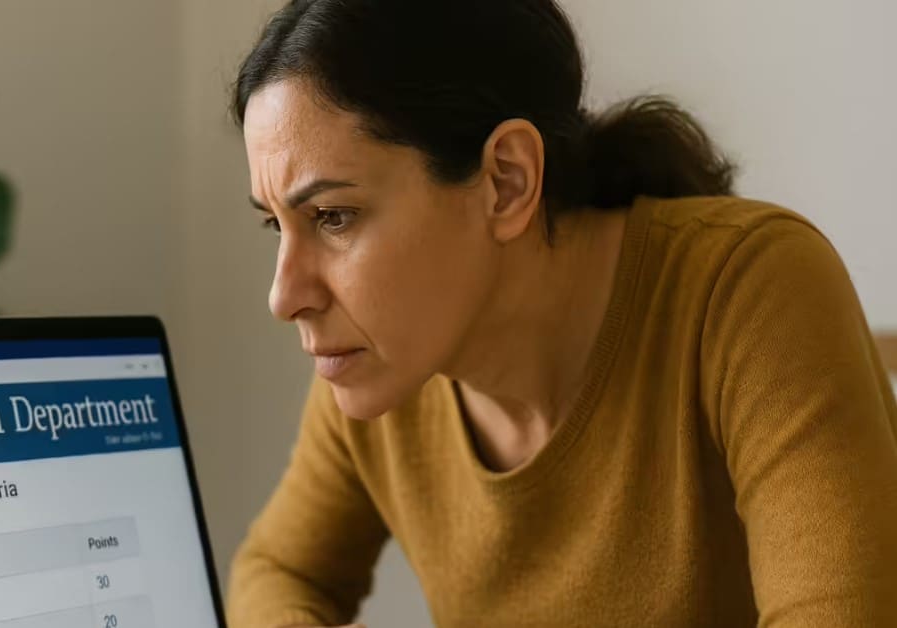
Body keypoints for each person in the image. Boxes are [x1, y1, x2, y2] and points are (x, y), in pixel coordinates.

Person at [225, 1, 897, 626]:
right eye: (275, 226)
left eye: (333, 217)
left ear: (506, 181)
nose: (285, 297)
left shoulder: (747, 287)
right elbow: (278, 572)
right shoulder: (383, 363)